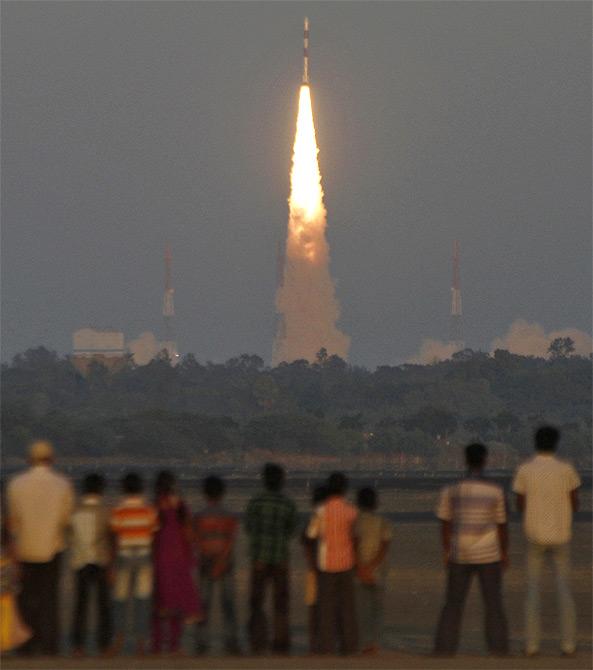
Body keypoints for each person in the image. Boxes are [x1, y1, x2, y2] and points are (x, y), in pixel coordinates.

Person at [433, 443, 509, 657]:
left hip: (459, 552)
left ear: (465, 460)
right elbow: (501, 524)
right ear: (484, 460)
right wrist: (504, 552)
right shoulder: (495, 490)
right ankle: (498, 648)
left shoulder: (451, 490)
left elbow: (445, 523)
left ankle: (444, 648)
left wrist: (446, 549)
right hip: (488, 552)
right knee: (493, 602)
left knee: (453, 603)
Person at [512, 425, 581, 657]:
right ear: (556, 443)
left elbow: (520, 502)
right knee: (564, 590)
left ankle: (532, 645)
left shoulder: (525, 469)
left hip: (534, 533)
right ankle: (568, 644)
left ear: (536, 442)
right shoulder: (566, 469)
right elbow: (574, 500)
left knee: (532, 590)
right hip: (561, 533)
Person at [7, 439, 74, 655]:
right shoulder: (63, 484)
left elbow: (12, 522)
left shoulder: (15, 484)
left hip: (24, 548)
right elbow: (66, 519)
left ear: (29, 460)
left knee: (26, 598)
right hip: (52, 547)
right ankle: (49, 645)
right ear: (51, 459)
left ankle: (26, 644)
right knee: (50, 598)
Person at [244, 463, 297, 655]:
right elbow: (292, 529)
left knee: (257, 603)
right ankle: (281, 642)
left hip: (259, 558)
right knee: (281, 603)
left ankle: (257, 642)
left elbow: (249, 527)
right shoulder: (287, 503)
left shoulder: (256, 502)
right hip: (281, 558)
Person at [306, 472, 358, 655]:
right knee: (347, 607)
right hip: (347, 562)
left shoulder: (321, 511)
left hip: (326, 563)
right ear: (345, 489)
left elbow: (311, 534)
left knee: (326, 608)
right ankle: (349, 646)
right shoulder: (351, 511)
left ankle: (326, 646)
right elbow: (355, 536)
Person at [152, 471, 202, 655]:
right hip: (179, 558)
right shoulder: (180, 506)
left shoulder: (156, 506)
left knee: (160, 604)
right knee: (177, 606)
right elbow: (188, 533)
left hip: (160, 558)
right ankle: (174, 645)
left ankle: (157, 645)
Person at [109, 472, 158, 656]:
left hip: (124, 556)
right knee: (142, 601)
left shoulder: (118, 511)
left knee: (120, 600)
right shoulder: (149, 511)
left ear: (123, 488)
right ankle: (140, 644)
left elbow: (115, 537)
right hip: (144, 556)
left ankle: (119, 640)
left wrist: (111, 564)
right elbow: (153, 532)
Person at [194, 475, 240, 655]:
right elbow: (230, 541)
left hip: (206, 560)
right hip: (225, 561)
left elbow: (196, 540)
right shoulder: (229, 516)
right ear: (222, 493)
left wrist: (208, 557)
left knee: (203, 603)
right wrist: (221, 560)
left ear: (205, 493)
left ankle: (201, 643)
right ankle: (231, 642)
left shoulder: (199, 516)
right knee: (228, 603)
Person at [70, 473, 112, 656]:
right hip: (100, 560)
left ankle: (78, 646)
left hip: (80, 561)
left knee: (81, 604)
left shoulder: (74, 511)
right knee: (103, 605)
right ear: (101, 489)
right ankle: (103, 644)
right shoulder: (105, 511)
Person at [354, 487, 394, 655]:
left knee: (360, 608)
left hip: (358, 570)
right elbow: (384, 546)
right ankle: (373, 644)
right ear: (376, 503)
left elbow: (353, 545)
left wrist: (362, 567)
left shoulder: (355, 522)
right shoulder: (383, 522)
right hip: (378, 571)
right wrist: (372, 566)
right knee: (376, 609)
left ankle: (361, 643)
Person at [301, 485, 328, 654]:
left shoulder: (315, 518)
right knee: (328, 606)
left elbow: (306, 540)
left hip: (315, 567)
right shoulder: (326, 517)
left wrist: (311, 562)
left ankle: (314, 643)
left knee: (314, 608)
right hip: (331, 566)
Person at [0, 521, 31, 654]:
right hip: (6, 582)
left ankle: (5, 643)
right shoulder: (7, 537)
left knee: (7, 615)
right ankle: (5, 643)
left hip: (5, 582)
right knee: (7, 615)